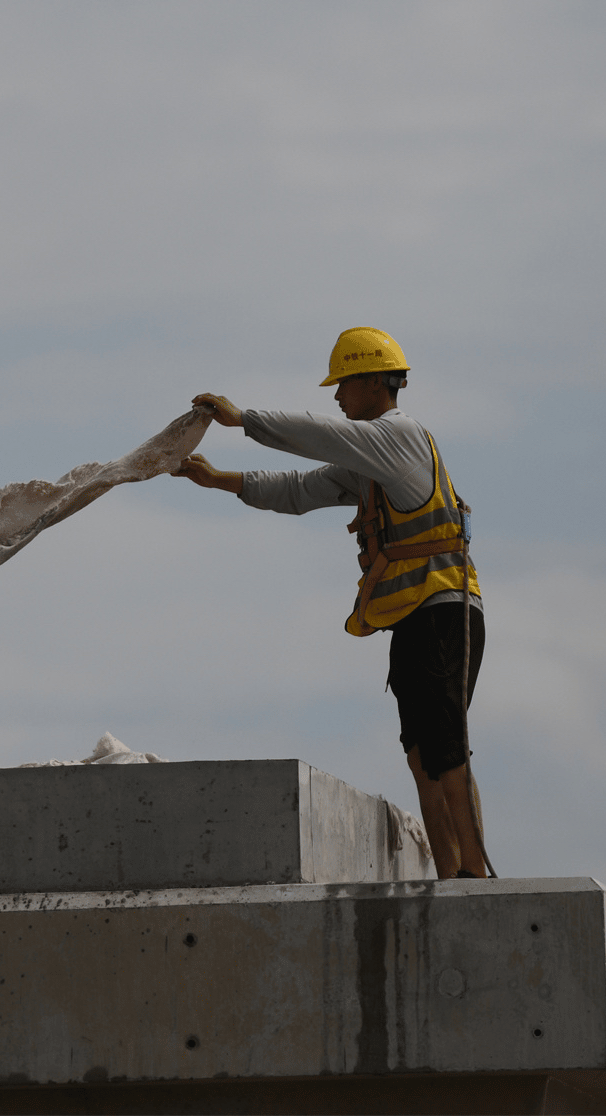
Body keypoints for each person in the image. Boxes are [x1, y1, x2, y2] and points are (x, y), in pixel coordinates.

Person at [181, 326, 494, 879]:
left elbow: (317, 436)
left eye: (344, 384)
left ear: (374, 383)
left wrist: (243, 419)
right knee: (422, 752)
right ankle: (451, 876)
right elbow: (301, 491)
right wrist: (218, 481)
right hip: (413, 617)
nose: (336, 397)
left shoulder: (397, 437)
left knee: (447, 746)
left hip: (446, 608)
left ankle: (474, 871)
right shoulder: (372, 463)